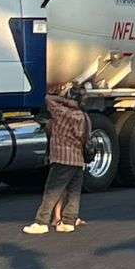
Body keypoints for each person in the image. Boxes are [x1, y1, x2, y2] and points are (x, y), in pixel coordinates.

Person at [24, 88, 91, 235]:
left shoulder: (61, 112)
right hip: (78, 158)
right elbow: (86, 138)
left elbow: (47, 98)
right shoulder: (84, 117)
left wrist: (63, 99)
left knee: (52, 191)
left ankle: (41, 222)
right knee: (73, 192)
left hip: (62, 157)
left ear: (69, 98)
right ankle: (68, 222)